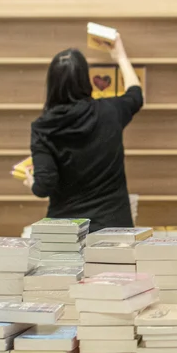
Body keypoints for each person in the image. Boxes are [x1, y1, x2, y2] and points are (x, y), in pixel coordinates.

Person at [24, 34, 143, 233]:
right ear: (85, 80)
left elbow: (44, 185)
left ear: (52, 84)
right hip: (113, 228)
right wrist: (120, 56)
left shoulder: (43, 128)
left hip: (66, 233)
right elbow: (135, 95)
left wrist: (32, 183)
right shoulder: (109, 112)